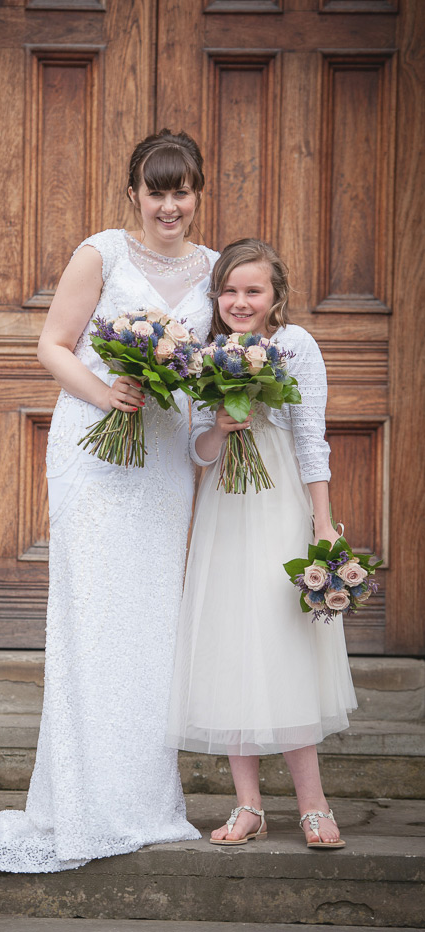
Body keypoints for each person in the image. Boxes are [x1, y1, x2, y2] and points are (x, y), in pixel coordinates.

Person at [0, 129, 219, 882]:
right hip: (95, 453)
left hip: (161, 459)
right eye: (156, 190)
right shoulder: (102, 254)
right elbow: (53, 345)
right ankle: (85, 800)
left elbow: (213, 368)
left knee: (151, 624)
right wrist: (109, 392)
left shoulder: (216, 271)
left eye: (181, 189)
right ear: (134, 195)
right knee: (92, 618)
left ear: (198, 193)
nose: (169, 204)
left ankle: (145, 802)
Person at [167, 239, 357, 850]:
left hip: (279, 506)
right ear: (216, 296)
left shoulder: (295, 346)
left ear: (276, 297)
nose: (240, 301)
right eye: (230, 290)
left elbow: (311, 441)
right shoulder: (204, 356)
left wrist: (323, 524)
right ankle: (247, 804)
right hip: (226, 509)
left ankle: (312, 803)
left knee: (282, 640)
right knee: (229, 640)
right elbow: (197, 451)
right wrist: (219, 427)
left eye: (254, 291)